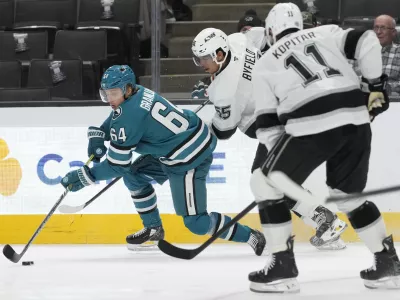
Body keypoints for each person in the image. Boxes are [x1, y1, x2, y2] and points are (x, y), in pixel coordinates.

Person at [248, 2, 398, 293]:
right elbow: (366, 40)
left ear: (270, 31)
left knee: (262, 183)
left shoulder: (265, 62)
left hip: (310, 123)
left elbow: (267, 126)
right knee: (347, 196)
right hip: (356, 120)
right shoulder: (326, 32)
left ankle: (281, 266)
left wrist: (276, 170)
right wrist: (375, 86)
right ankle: (387, 263)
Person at [60, 65, 266, 255]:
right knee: (134, 175)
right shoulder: (137, 92)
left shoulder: (129, 117)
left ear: (128, 89)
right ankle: (153, 229)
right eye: (106, 93)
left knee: (196, 223)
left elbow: (117, 164)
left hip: (189, 159)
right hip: (181, 144)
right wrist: (101, 133)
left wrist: (86, 175)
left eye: (114, 93)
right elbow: (119, 118)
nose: (110, 99)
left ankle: (251, 235)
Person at [191, 27, 347, 251]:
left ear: (220, 54)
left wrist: (204, 126)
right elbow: (262, 34)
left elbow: (224, 131)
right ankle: (323, 219)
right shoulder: (237, 41)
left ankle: (327, 221)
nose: (201, 64)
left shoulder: (225, 91)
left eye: (205, 58)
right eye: (198, 59)